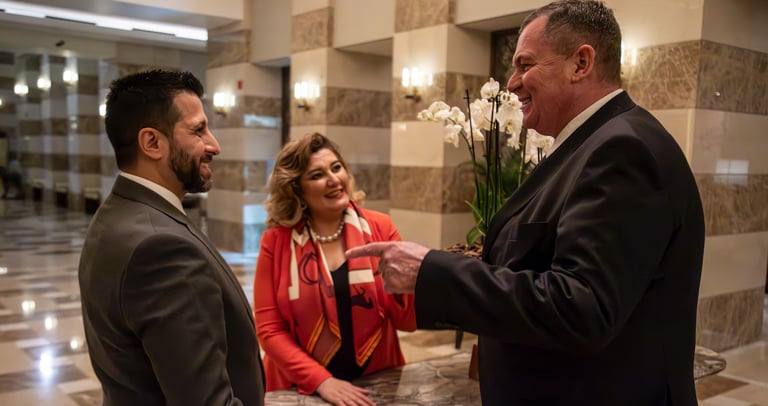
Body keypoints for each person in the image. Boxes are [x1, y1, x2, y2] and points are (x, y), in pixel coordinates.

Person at [347, 1, 705, 405]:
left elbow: (581, 308)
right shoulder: (592, 143)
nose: (512, 83)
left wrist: (433, 272)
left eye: (525, 65)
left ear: (581, 63)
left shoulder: (622, 150)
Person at [78, 69, 265, 405]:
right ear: (152, 143)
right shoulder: (160, 248)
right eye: (198, 130)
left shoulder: (117, 213)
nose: (215, 145)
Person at [253, 132, 416, 406]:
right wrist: (321, 380)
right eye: (317, 175)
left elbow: (407, 321)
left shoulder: (381, 228)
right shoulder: (276, 242)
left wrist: (417, 279)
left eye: (336, 168)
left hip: (375, 383)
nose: (333, 180)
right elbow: (270, 329)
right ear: (297, 191)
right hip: (299, 387)